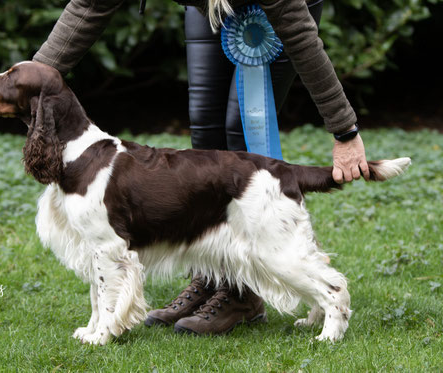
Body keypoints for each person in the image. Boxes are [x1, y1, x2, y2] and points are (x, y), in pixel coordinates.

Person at [32, 0, 369, 335]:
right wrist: (30, 82)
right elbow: (89, 6)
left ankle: (242, 297)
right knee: (206, 135)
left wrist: (344, 128)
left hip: (275, 16)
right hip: (205, 10)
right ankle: (210, 280)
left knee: (240, 137)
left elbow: (299, 33)